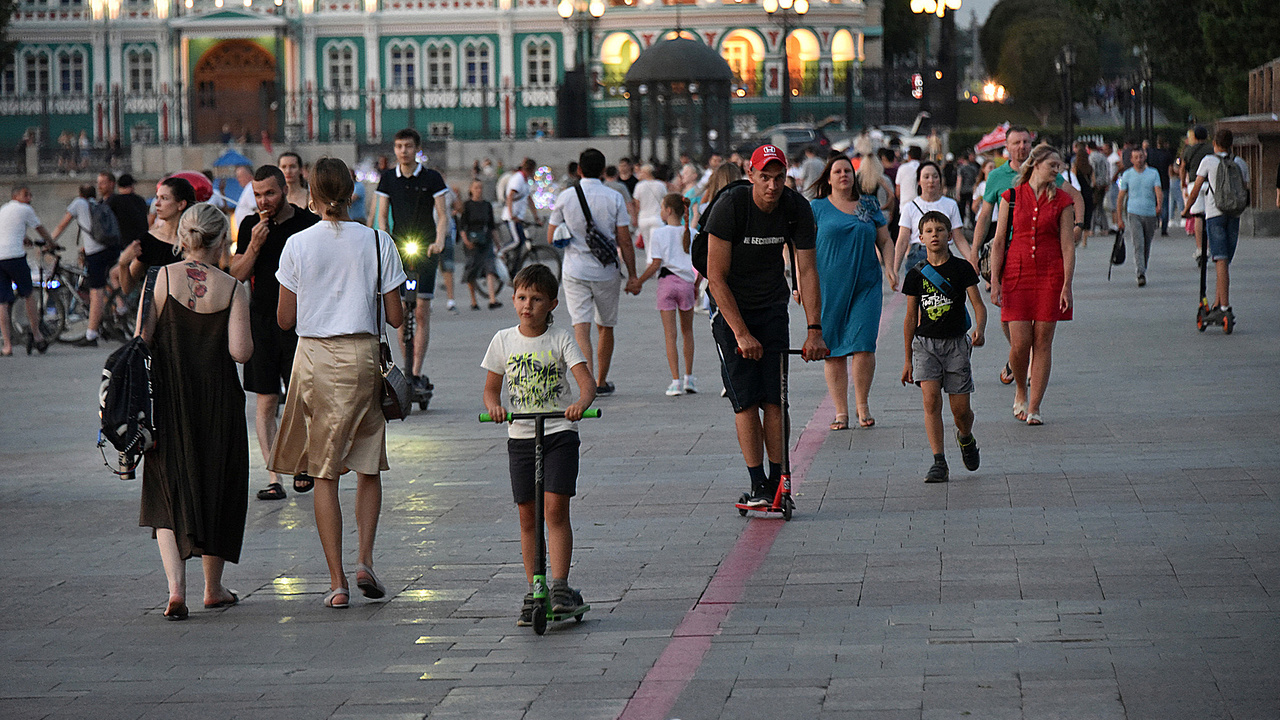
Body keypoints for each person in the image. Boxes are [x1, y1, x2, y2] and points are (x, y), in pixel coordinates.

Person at [271, 157, 407, 609]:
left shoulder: (297, 244)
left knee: (324, 470)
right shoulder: (376, 241)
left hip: (313, 357)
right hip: (363, 356)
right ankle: (365, 558)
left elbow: (285, 319)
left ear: (310, 196)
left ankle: (337, 581)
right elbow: (395, 316)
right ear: (352, 193)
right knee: (368, 463)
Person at [136, 202, 252, 620]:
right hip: (219, 400)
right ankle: (213, 588)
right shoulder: (235, 288)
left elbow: (141, 340)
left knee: (168, 488)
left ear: (182, 238)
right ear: (222, 239)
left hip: (169, 400)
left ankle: (175, 591)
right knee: (218, 485)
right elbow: (241, 352)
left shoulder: (159, 278)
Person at [703, 144, 828, 507]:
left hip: (772, 304)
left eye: (779, 178)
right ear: (751, 174)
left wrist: (814, 330)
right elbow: (715, 278)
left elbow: (806, 270)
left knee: (775, 399)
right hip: (730, 309)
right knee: (746, 402)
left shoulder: (795, 208)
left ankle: (778, 479)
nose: (772, 186)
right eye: (765, 178)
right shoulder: (731, 207)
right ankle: (758, 484)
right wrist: (741, 333)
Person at [482, 264, 596, 625]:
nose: (527, 305)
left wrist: (580, 404)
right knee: (527, 515)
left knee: (555, 509)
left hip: (559, 433)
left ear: (552, 304)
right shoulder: (503, 340)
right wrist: (495, 409)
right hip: (521, 437)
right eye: (521, 298)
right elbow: (489, 391)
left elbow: (586, 383)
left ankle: (559, 585)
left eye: (535, 299)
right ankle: (536, 586)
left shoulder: (561, 338)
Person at [230, 164, 321, 501]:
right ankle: (273, 475)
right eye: (257, 195)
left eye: (269, 193)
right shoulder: (251, 225)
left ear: (284, 188)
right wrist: (253, 246)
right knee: (265, 399)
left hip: (301, 323)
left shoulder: (306, 224)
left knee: (301, 397)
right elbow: (236, 274)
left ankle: (302, 462)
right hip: (261, 321)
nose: (263, 201)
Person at [989, 144, 1076, 426]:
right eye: (1053, 165)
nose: (1057, 170)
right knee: (1020, 343)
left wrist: (1067, 284)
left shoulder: (1062, 200)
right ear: (1036, 164)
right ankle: (1020, 390)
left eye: (1059, 166)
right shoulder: (1011, 197)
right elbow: (1000, 241)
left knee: (1043, 342)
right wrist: (994, 280)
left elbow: (1067, 245)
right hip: (1016, 273)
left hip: (1050, 274)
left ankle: (1035, 406)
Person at [900, 210, 986, 483]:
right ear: (921, 238)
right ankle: (939, 460)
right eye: (929, 231)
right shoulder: (916, 274)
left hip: (956, 346)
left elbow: (978, 305)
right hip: (925, 345)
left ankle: (965, 437)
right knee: (931, 401)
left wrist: (979, 329)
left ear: (950, 236)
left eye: (940, 230)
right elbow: (910, 317)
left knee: (961, 411)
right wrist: (907, 360)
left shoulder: (961, 269)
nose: (934, 235)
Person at [811, 153, 896, 430]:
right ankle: (840, 412)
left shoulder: (869, 205)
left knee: (863, 345)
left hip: (866, 284)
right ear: (829, 178)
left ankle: (862, 406)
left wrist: (890, 267)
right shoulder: (817, 208)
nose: (843, 175)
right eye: (837, 171)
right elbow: (801, 248)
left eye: (848, 170)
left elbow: (885, 240)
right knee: (832, 349)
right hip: (829, 286)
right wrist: (800, 284)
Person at [546, 148, 639, 395]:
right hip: (606, 271)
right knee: (606, 326)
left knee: (581, 327)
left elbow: (550, 236)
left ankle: (585, 384)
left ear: (579, 169)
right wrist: (633, 275)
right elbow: (625, 240)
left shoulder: (566, 196)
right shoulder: (614, 197)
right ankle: (600, 381)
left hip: (574, 269)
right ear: (602, 170)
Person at [375, 128, 450, 396]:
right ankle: (404, 371)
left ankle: (415, 371)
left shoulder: (431, 177)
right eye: (398, 146)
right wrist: (385, 243)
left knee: (420, 310)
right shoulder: (387, 179)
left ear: (416, 149)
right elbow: (382, 216)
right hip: (399, 251)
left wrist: (439, 240)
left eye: (407, 146)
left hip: (426, 249)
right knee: (401, 311)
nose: (402, 151)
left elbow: (442, 214)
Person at [635, 193, 698, 396]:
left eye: (662, 207)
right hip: (687, 284)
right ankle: (690, 378)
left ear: (668, 210)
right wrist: (696, 285)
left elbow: (655, 263)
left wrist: (638, 282)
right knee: (687, 332)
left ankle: (675, 381)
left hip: (666, 284)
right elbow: (700, 265)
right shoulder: (692, 232)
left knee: (670, 335)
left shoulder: (658, 233)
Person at [1185, 128, 1249, 326]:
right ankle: (1217, 302)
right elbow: (1246, 188)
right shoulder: (1240, 163)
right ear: (1231, 144)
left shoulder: (1208, 161)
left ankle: (1224, 307)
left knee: (1219, 259)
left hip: (1215, 214)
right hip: (1234, 214)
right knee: (1225, 261)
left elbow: (1196, 189)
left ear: (1215, 143)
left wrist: (1186, 210)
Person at [50, 183, 118, 347]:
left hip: (96, 252)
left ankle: (91, 334)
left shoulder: (79, 203)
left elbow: (62, 225)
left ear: (80, 194)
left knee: (96, 292)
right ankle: (120, 311)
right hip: (111, 248)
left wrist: (49, 243)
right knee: (105, 284)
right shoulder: (98, 204)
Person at [118, 176, 197, 295]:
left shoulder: (195, 240)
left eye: (164, 198)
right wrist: (123, 264)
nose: (157, 204)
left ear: (181, 204)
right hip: (157, 309)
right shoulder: (149, 240)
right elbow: (127, 288)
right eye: (157, 198)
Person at [0, 186, 54, 356]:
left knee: (3, 301)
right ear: (16, 196)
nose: (30, 197)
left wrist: (24, 238)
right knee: (28, 293)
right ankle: (37, 335)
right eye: (26, 194)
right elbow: (41, 228)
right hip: (16, 257)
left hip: (0, 257)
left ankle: (7, 345)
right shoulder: (25, 209)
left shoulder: (4, 209)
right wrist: (51, 243)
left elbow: (8, 231)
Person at [894, 161, 971, 276]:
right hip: (918, 255)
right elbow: (903, 240)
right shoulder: (909, 207)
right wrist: (894, 269)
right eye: (926, 177)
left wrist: (972, 260)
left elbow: (959, 238)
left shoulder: (950, 204)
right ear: (919, 181)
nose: (931, 181)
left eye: (935, 177)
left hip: (944, 256)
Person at [1116, 147, 1163, 287]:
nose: (1138, 160)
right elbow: (1121, 197)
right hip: (1133, 212)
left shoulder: (1153, 173)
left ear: (1145, 157)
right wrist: (1119, 218)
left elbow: (1158, 190)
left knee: (1147, 244)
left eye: (1141, 157)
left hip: (1149, 213)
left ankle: (1143, 267)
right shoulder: (1127, 175)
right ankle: (1140, 272)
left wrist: (1159, 205)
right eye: (1136, 157)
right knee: (1138, 243)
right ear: (1131, 159)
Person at [460, 179, 502, 310]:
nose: (479, 190)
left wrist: (497, 243)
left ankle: (492, 299)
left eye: (480, 187)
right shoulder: (467, 205)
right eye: (476, 187)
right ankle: (474, 301)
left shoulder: (487, 205)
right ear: (471, 189)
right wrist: (466, 241)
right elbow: (462, 226)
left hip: (486, 240)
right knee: (471, 270)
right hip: (472, 241)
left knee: (490, 268)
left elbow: (492, 225)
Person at [1180, 126, 1213, 261]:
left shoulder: (1189, 150)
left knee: (1198, 217)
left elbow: (1183, 167)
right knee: (1210, 216)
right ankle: (1209, 248)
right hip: (1210, 183)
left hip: (1195, 184)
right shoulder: (1211, 149)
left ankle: (1200, 248)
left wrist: (1183, 182)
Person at [505, 158, 540, 253]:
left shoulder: (525, 181)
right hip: (512, 217)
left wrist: (536, 217)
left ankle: (514, 266)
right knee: (517, 241)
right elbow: (510, 196)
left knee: (521, 242)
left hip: (518, 217)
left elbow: (529, 199)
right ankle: (499, 253)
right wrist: (511, 214)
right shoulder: (518, 179)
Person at [633, 164, 667, 253]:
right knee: (656, 246)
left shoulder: (639, 186)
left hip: (643, 218)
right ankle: (654, 262)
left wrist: (636, 217)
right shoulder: (661, 185)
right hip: (657, 217)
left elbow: (637, 204)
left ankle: (649, 262)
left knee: (647, 245)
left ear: (645, 173)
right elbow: (665, 201)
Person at [1146, 136, 1174, 236]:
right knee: (1164, 204)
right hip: (1164, 181)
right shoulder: (1167, 154)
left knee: (1153, 202)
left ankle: (1154, 222)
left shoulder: (1151, 153)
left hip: (1152, 181)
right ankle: (1164, 228)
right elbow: (1170, 170)